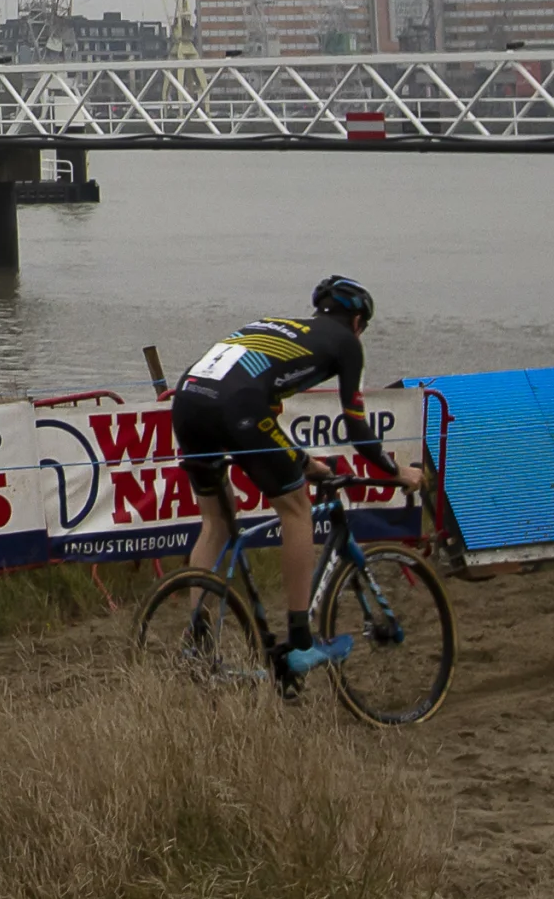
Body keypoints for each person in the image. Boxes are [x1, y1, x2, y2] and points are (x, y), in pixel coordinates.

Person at [173, 277, 403, 697]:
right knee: (296, 507)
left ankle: (197, 644)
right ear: (357, 321)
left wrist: (307, 462)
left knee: (215, 522)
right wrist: (396, 472)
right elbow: (357, 428)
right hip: (234, 404)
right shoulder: (346, 342)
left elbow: (264, 423)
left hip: (188, 398)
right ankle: (300, 640)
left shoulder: (276, 326)